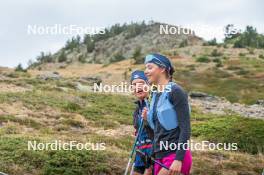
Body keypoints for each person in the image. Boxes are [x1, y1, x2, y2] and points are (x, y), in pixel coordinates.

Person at [142, 53, 192, 175]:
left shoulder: (176, 91)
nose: (145, 71)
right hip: (159, 156)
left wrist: (178, 159)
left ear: (162, 68)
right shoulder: (154, 94)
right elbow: (155, 133)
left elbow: (185, 128)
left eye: (150, 67)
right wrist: (146, 121)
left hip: (175, 156)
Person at [130, 70, 154, 175]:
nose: (137, 87)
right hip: (140, 152)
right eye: (134, 85)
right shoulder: (137, 109)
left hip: (154, 153)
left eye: (141, 83)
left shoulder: (154, 103)